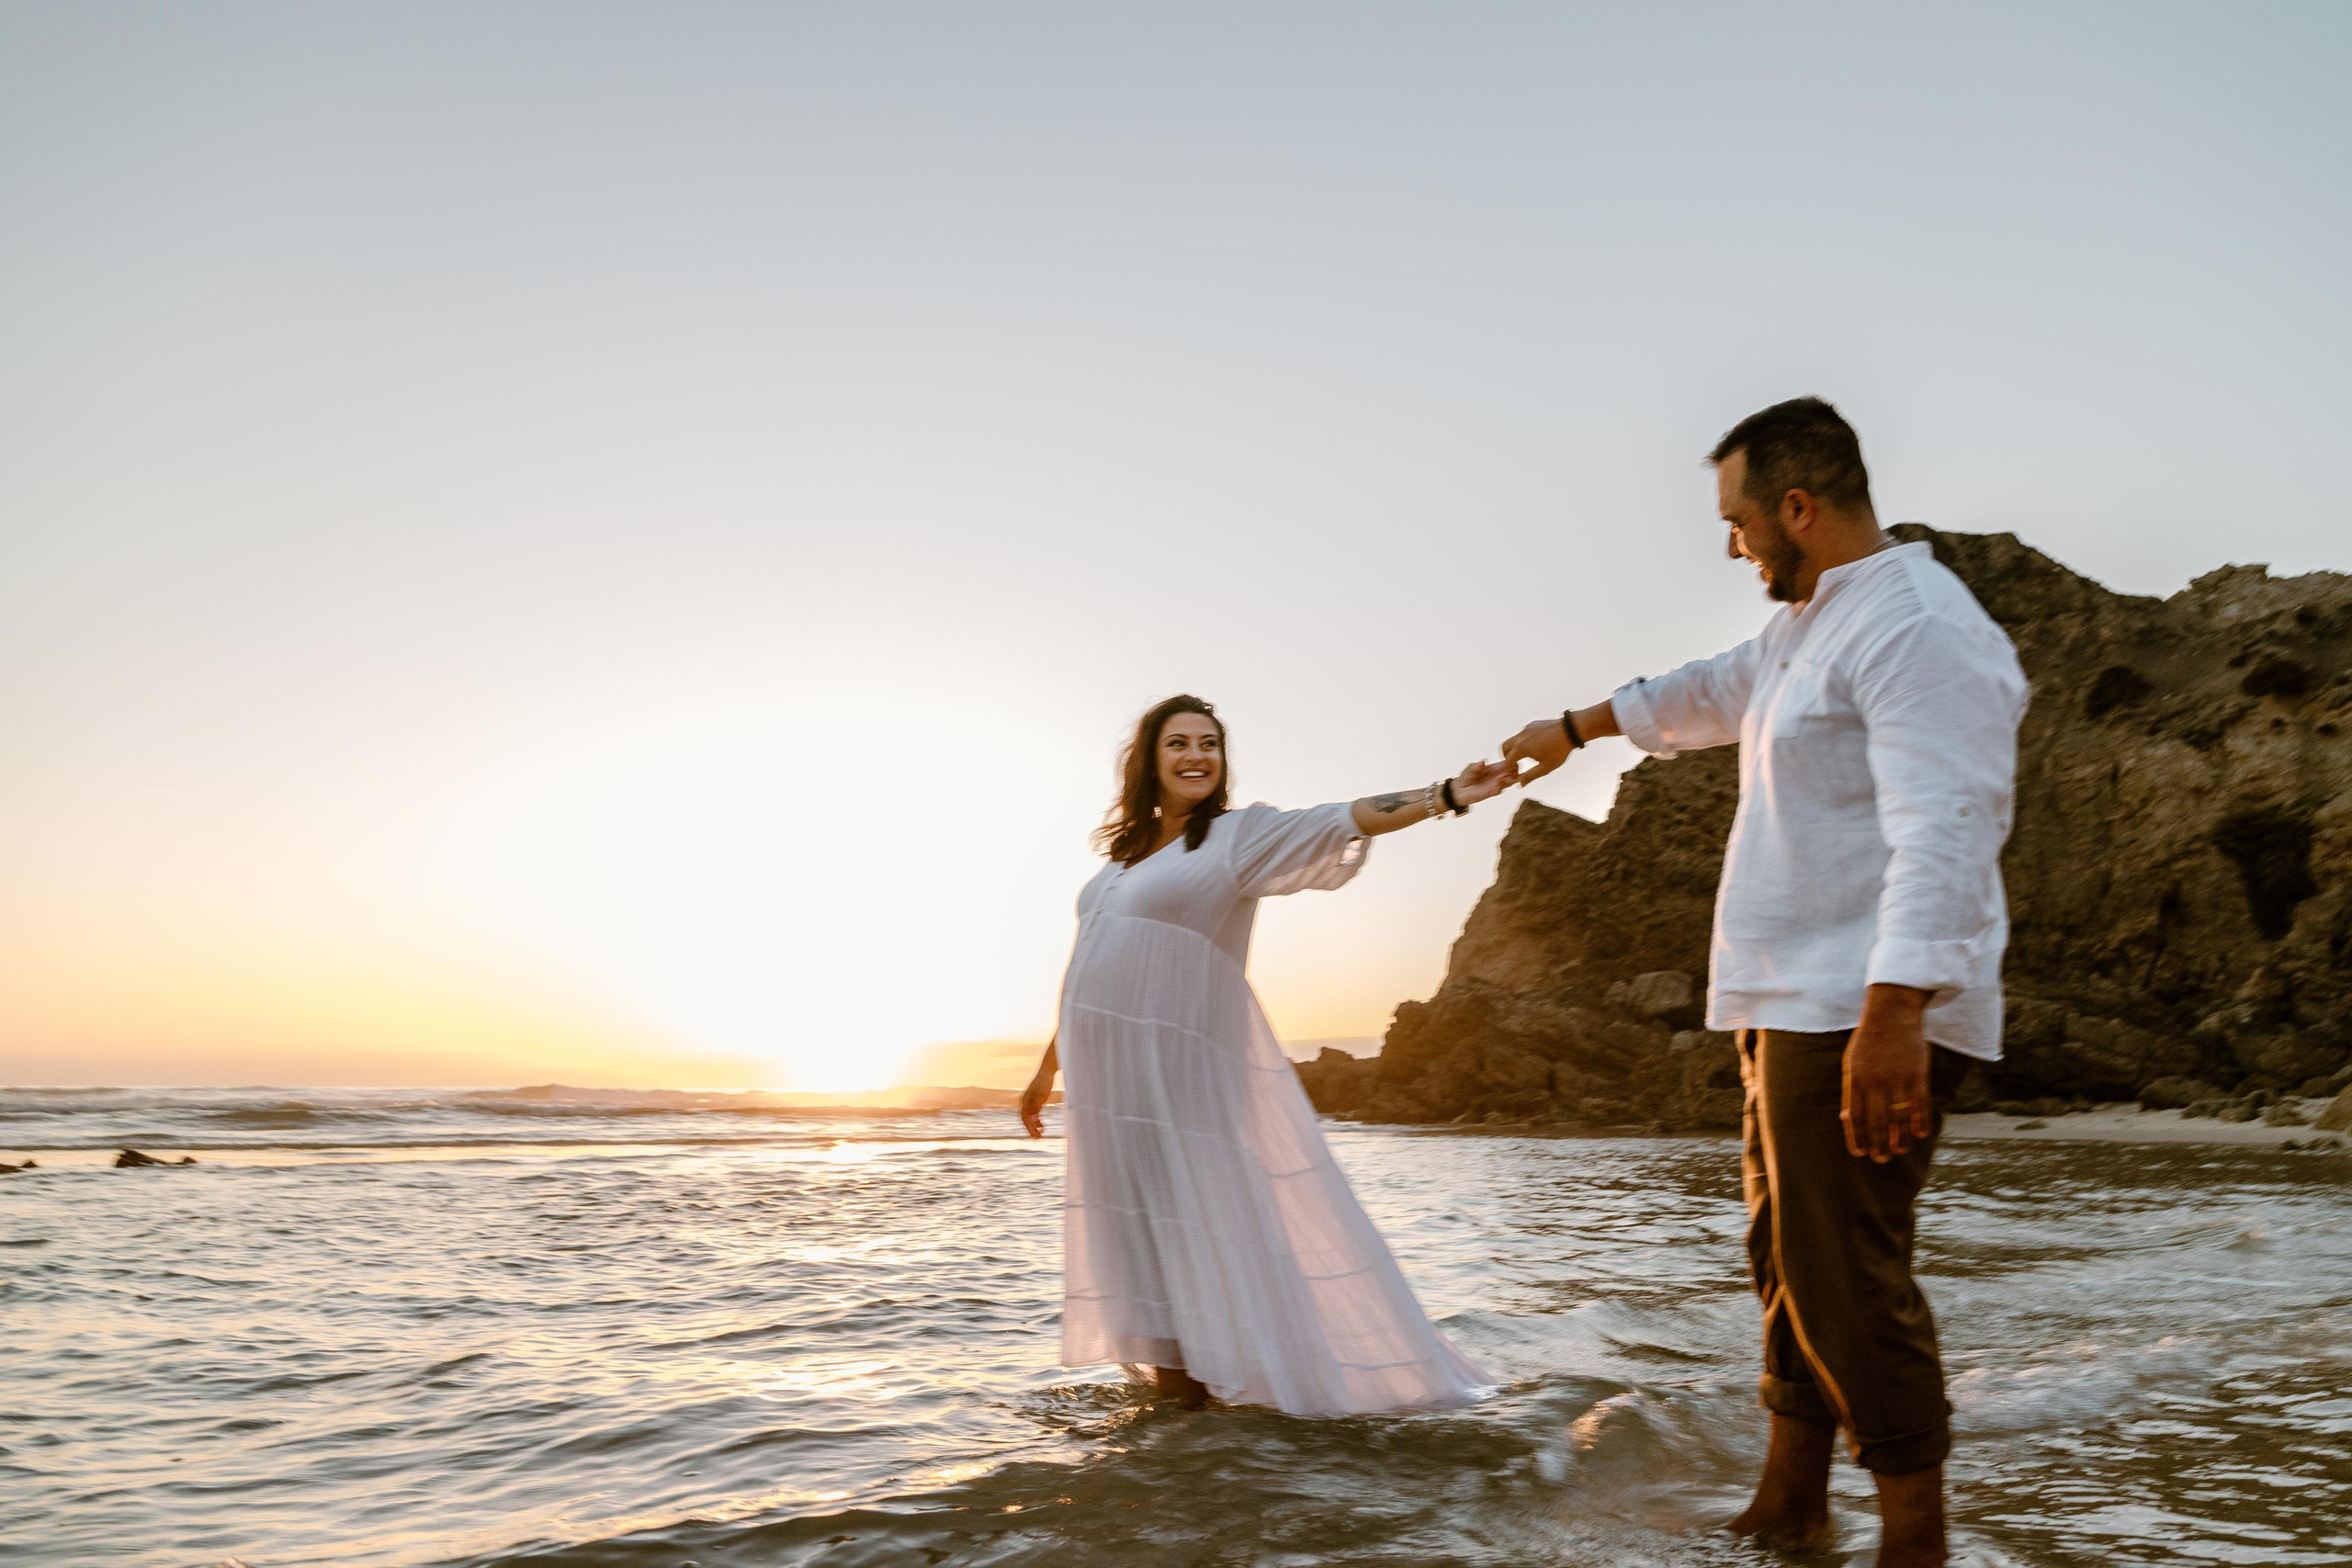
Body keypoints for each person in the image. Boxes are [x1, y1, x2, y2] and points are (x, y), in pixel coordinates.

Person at [1500, 398, 2027, 1568]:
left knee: (1845, 1276)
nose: (1732, 545)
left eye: (1739, 520)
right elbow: (1710, 687)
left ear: (1798, 507)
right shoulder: (1810, 625)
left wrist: (1894, 1018)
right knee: (1785, 1259)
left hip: (1862, 1005)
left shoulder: (1917, 624)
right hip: (1789, 1002)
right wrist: (1576, 727)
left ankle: (1915, 1540)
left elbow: (1948, 822)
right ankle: (1790, 1502)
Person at [1019, 694, 1502, 1415]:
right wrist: (1049, 1066)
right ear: (1149, 759)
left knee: (1197, 1212)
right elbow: (1090, 960)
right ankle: (1175, 1395)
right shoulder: (1121, 857)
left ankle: (1228, 1383)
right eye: (1178, 743)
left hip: (1178, 1070)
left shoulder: (1237, 838)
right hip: (1109, 1082)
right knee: (1135, 1223)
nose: (1196, 756)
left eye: (1209, 744)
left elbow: (1347, 816)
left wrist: (1447, 795)